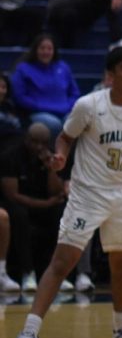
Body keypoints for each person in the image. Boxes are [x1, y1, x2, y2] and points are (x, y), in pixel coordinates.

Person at [13, 46, 122, 338]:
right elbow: (65, 138)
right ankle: (29, 330)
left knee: (121, 267)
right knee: (62, 262)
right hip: (88, 194)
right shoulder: (89, 105)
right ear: (110, 75)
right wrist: (61, 159)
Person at [1, 123, 67, 293]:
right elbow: (13, 195)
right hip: (18, 205)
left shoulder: (49, 157)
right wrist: (46, 204)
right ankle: (28, 273)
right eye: (34, 142)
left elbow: (57, 191)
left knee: (63, 213)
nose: (38, 147)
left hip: (43, 204)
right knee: (19, 214)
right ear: (26, 139)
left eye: (43, 143)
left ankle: (57, 273)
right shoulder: (11, 157)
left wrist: (50, 168)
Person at [11, 34, 80, 137]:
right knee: (54, 125)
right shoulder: (23, 69)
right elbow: (19, 96)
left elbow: (75, 93)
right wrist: (39, 105)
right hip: (37, 112)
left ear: (54, 51)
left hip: (64, 111)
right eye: (42, 48)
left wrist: (68, 105)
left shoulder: (63, 67)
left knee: (77, 123)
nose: (46, 52)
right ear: (35, 50)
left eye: (49, 49)